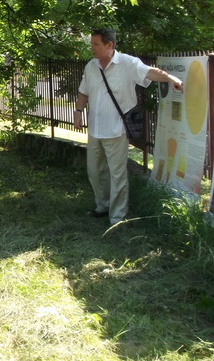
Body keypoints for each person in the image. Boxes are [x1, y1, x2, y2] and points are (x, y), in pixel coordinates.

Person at [73, 28, 184, 224]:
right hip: (95, 129)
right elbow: (84, 91)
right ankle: (103, 206)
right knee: (95, 171)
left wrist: (169, 78)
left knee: (117, 175)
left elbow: (150, 72)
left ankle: (117, 217)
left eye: (95, 44)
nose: (92, 48)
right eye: (91, 44)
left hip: (116, 130)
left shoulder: (128, 63)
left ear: (109, 45)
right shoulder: (91, 66)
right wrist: (78, 111)